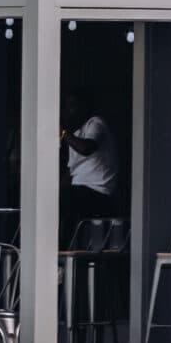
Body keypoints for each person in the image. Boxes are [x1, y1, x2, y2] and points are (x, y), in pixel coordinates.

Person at [61, 91, 119, 240]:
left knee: (68, 202)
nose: (69, 111)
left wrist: (63, 133)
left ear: (84, 107)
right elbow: (70, 171)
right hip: (79, 191)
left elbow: (87, 148)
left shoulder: (95, 123)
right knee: (53, 201)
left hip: (98, 190)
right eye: (66, 107)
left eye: (73, 106)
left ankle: (64, 248)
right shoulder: (76, 133)